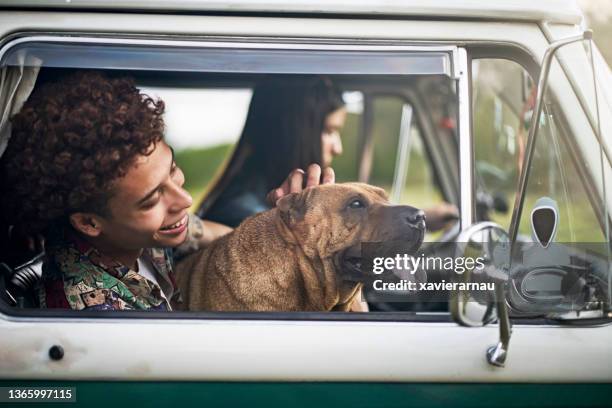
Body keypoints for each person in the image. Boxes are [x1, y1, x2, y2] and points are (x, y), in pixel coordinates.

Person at [0, 70, 325, 311]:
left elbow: (226, 239)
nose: (183, 200)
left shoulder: (136, 235)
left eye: (173, 170)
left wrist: (282, 224)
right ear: (88, 222)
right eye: (153, 199)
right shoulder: (97, 314)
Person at [203, 75, 458, 231]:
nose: (338, 147)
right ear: (291, 134)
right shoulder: (244, 214)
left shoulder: (257, 198)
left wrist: (416, 219)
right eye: (328, 131)